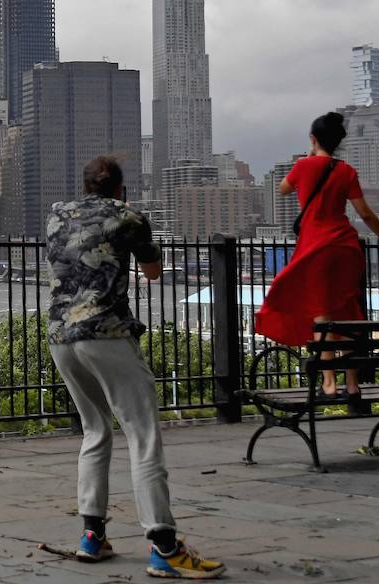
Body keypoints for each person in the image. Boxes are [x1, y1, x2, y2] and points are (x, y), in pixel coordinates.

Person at [46, 155, 225, 580]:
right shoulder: (129, 217)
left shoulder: (56, 215)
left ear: (85, 185)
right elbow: (153, 272)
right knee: (142, 434)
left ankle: (92, 535)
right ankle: (164, 546)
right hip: (106, 333)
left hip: (60, 337)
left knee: (95, 431)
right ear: (120, 190)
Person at [254, 112, 379, 401]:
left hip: (316, 247)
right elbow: (365, 213)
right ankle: (353, 385)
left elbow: (283, 189)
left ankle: (330, 384)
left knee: (321, 315)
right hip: (346, 247)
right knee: (345, 311)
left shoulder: (303, 166)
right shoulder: (346, 170)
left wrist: (308, 157)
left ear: (313, 139)